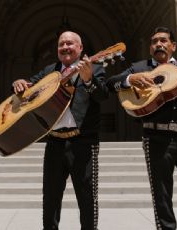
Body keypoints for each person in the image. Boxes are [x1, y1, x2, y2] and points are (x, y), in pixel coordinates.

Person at [107, 27, 177, 230]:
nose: (158, 44)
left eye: (163, 40)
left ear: (173, 46)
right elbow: (110, 83)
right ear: (150, 48)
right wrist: (129, 79)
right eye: (154, 41)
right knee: (162, 196)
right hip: (156, 138)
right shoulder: (139, 67)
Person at [13, 31, 109, 230]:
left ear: (80, 48)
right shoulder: (50, 70)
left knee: (87, 197)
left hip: (83, 143)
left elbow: (102, 96)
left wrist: (89, 79)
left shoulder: (95, 68)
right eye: (61, 44)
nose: (65, 47)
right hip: (55, 142)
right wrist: (18, 83)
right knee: (50, 198)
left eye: (70, 43)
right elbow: (28, 88)